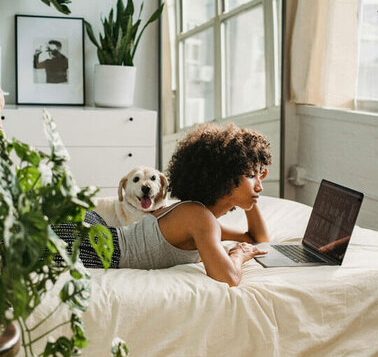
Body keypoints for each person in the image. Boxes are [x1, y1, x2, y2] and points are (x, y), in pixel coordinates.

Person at [54, 123, 272, 286]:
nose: (259, 185)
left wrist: (252, 196)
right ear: (224, 177)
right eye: (251, 175)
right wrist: (238, 255)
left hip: (96, 234)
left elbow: (258, 240)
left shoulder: (199, 217)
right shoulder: (200, 219)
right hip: (91, 244)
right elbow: (229, 278)